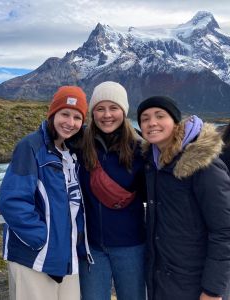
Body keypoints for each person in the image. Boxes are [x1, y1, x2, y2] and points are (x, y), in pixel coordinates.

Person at [0, 86, 93, 300]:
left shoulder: (72, 152)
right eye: (65, 114)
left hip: (66, 254)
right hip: (36, 256)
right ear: (52, 114)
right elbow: (11, 201)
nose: (70, 122)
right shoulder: (30, 147)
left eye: (77, 117)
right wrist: (43, 239)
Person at [137, 96, 230, 300]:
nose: (151, 122)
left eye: (160, 116)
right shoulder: (154, 164)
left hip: (195, 284)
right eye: (144, 118)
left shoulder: (203, 165)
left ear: (176, 122)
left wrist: (213, 290)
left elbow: (224, 231)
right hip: (164, 281)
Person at [78, 81, 146, 300]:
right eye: (100, 108)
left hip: (132, 245)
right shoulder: (79, 145)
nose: (107, 115)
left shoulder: (141, 148)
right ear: (93, 113)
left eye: (113, 108)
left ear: (124, 111)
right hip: (91, 247)